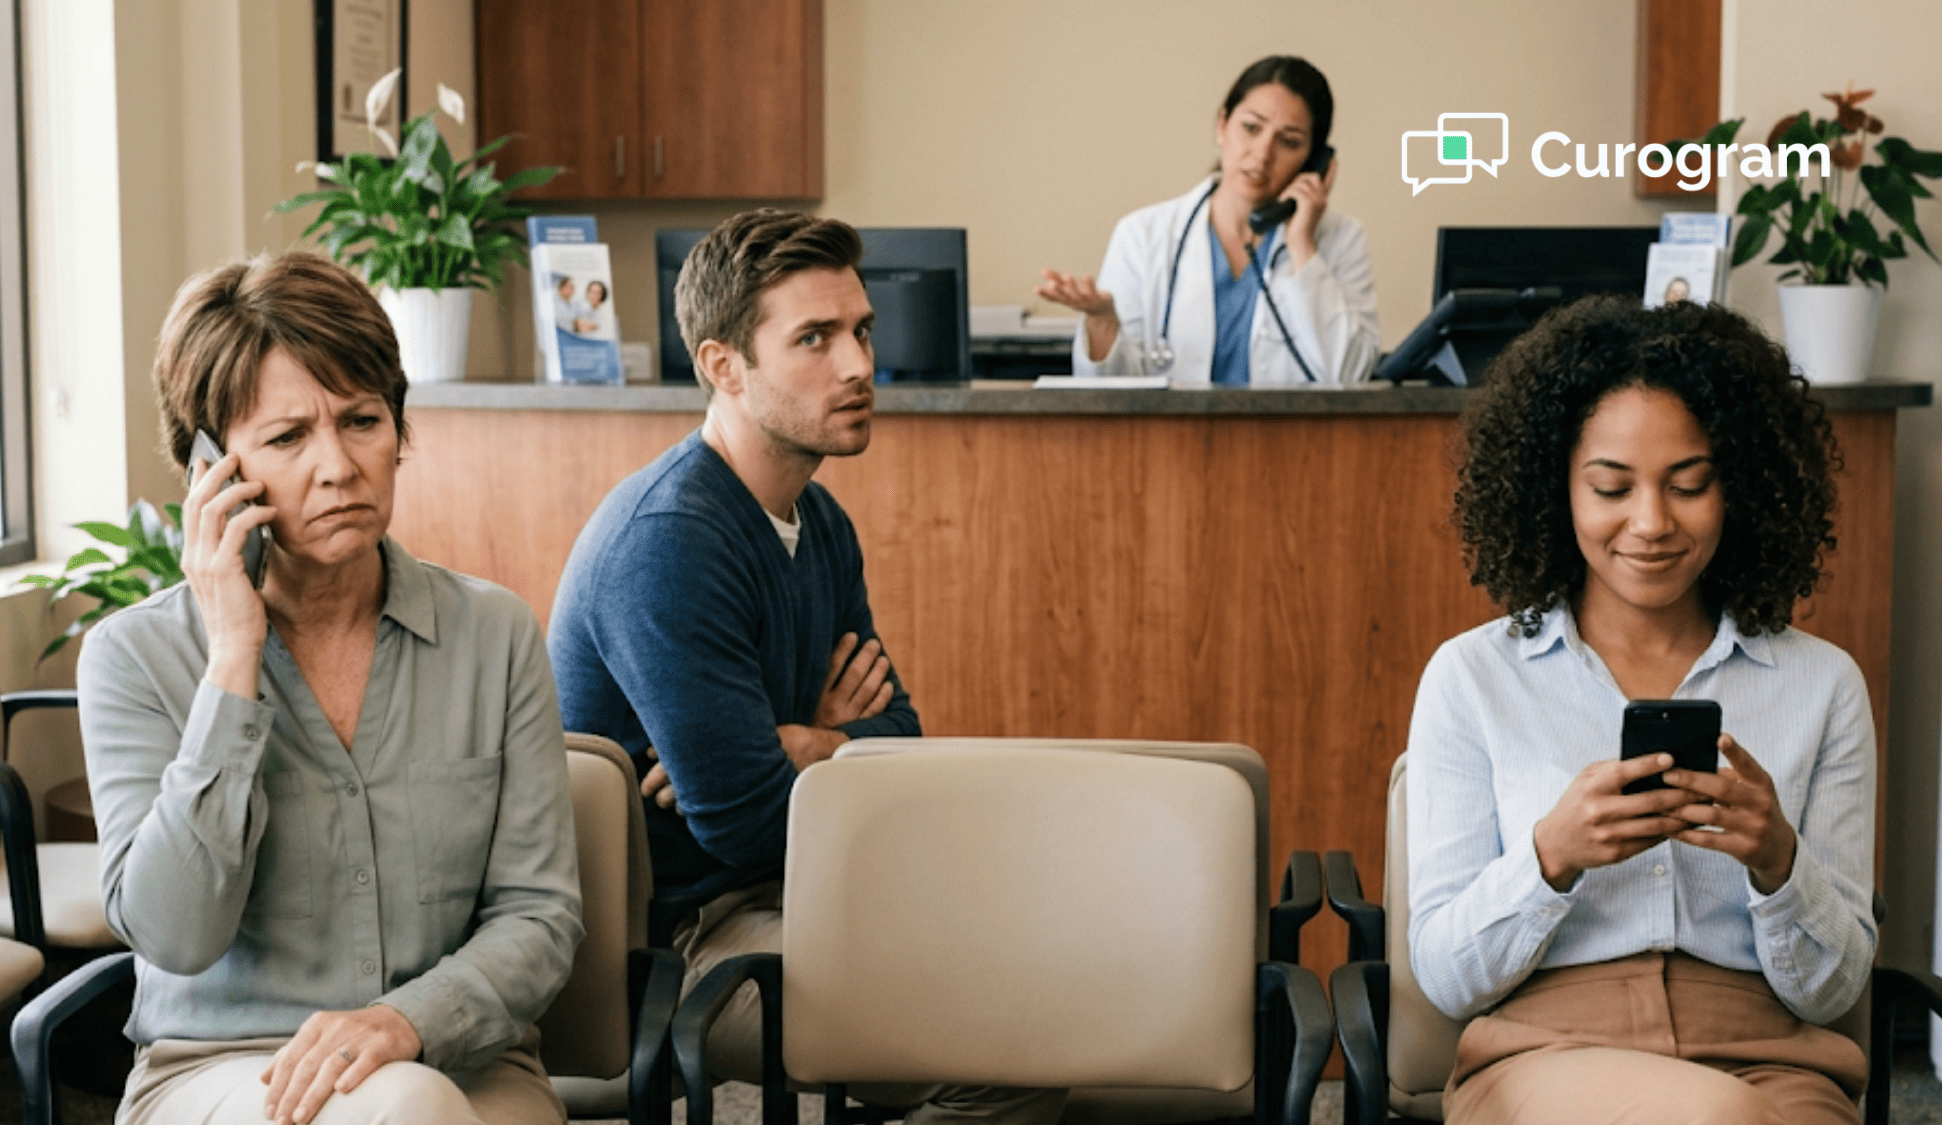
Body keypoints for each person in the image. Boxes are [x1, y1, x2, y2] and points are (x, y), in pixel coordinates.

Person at [548, 208, 1066, 1125]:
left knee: (1067, 972)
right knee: (1009, 1047)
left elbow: (898, 736)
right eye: (815, 339)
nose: (861, 365)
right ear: (723, 367)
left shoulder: (819, 522)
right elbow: (746, 823)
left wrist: (801, 741)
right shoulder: (670, 542)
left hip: (794, 888)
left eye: (860, 331)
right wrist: (813, 750)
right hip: (679, 942)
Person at [77, 253, 583, 1125]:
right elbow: (176, 934)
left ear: (399, 429)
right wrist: (234, 656)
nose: (339, 465)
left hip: (459, 1059)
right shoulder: (132, 657)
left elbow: (539, 916)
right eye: (287, 437)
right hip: (224, 1071)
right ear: (210, 471)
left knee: (414, 1104)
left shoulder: (493, 634)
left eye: (360, 420)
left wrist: (404, 1021)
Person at [1406, 295, 1873, 1124]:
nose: (1651, 524)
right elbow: (1445, 977)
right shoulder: (1471, 677)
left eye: (1689, 485)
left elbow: (1835, 990)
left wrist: (1777, 860)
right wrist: (1552, 854)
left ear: (1741, 488)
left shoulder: (1824, 684)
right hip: (1548, 1053)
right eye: (1612, 487)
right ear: (1557, 488)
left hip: (1773, 1058)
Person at [1036, 55, 1378, 385]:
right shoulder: (1142, 235)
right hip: (1170, 443)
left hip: (1295, 443)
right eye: (1251, 128)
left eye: (1288, 142)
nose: (1262, 154)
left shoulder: (1341, 239)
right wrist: (1102, 322)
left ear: (1314, 160)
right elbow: (1111, 399)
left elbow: (1351, 377)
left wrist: (1303, 245)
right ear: (1221, 125)